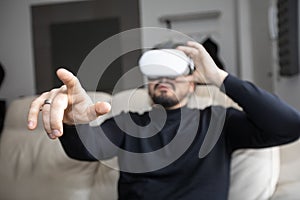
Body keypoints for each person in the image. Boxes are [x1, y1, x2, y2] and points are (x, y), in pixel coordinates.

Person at [27, 41, 300, 200]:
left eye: (174, 71)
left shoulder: (219, 122)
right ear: (148, 82)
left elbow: (289, 125)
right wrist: (74, 122)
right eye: (156, 72)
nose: (164, 79)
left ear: (193, 83)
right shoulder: (128, 123)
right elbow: (85, 150)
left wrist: (218, 77)